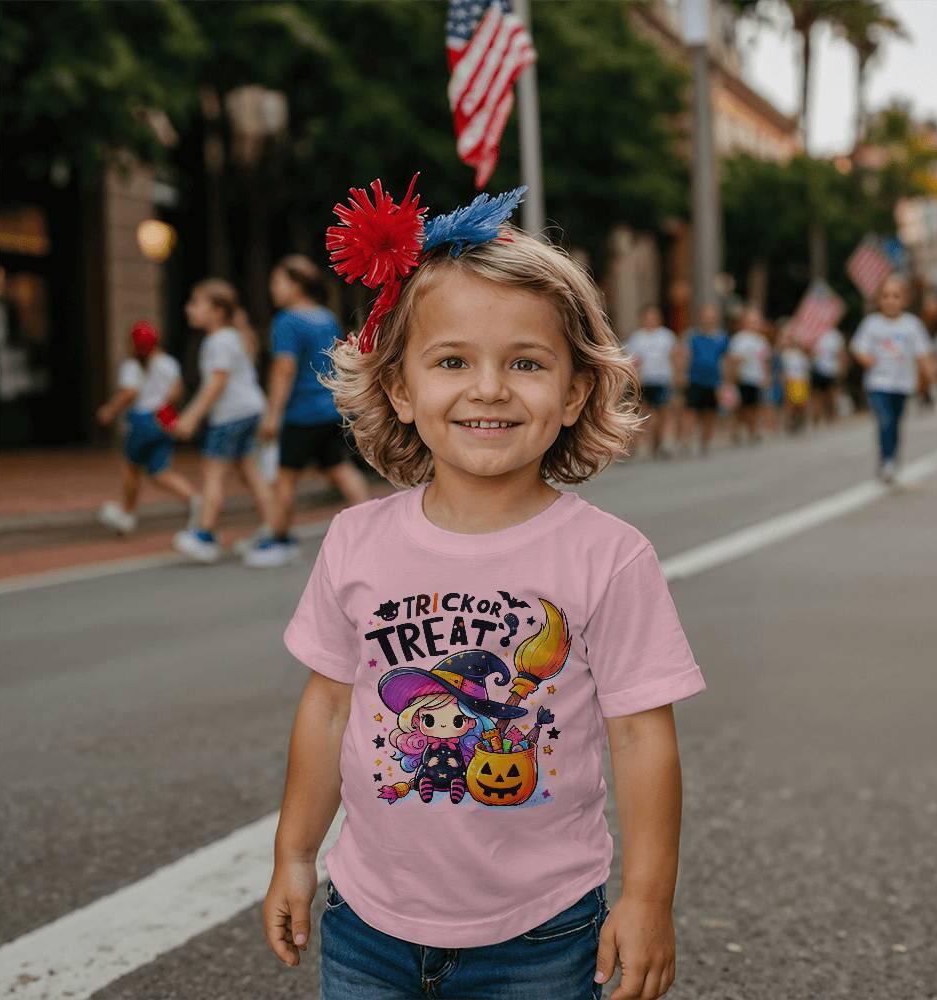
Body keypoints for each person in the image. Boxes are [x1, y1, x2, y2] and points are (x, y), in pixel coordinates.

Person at [262, 179, 706, 1000]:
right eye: (452, 361)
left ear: (575, 392)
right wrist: (294, 854)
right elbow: (327, 708)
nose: (490, 388)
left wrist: (648, 899)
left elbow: (643, 738)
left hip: (540, 933)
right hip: (366, 922)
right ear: (400, 388)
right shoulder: (356, 540)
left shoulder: (609, 557)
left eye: (526, 363)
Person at [243, 256, 371, 568]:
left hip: (301, 414)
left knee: (284, 479)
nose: (273, 289)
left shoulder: (287, 321)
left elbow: (284, 369)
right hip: (330, 408)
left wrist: (272, 415)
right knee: (341, 470)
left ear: (297, 285)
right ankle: (373, 530)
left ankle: (279, 538)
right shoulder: (325, 317)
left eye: (278, 282)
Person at [172, 279, 274, 562]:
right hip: (249, 410)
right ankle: (273, 529)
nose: (189, 309)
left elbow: (216, 383)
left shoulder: (219, 341)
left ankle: (204, 535)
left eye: (196, 303)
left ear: (217, 311)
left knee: (213, 472)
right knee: (250, 472)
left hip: (231, 415)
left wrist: (190, 417)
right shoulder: (231, 337)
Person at [96, 321, 198, 535]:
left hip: (141, 420)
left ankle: (127, 514)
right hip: (164, 419)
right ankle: (195, 499)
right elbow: (177, 391)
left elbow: (129, 393)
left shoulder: (132, 365)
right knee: (160, 471)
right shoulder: (169, 363)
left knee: (132, 468)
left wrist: (110, 410)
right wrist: (164, 410)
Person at [850, 275, 935, 483]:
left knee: (895, 423)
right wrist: (865, 358)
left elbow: (923, 354)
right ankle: (887, 461)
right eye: (886, 296)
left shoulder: (912, 325)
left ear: (905, 300)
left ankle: (891, 457)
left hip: (902, 384)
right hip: (878, 383)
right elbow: (857, 347)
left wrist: (931, 376)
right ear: (879, 300)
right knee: (885, 420)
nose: (890, 300)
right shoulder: (871, 324)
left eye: (896, 296)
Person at [624, 305, 679, 458]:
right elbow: (633, 361)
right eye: (648, 317)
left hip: (662, 379)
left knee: (664, 413)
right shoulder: (637, 338)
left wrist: (676, 376)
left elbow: (675, 357)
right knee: (643, 414)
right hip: (645, 381)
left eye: (653, 317)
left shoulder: (666, 336)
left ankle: (661, 442)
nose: (651, 320)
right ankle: (635, 445)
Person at [679, 302, 729, 456]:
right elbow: (685, 355)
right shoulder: (692, 336)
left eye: (711, 317)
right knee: (690, 410)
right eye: (706, 316)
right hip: (695, 379)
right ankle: (686, 441)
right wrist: (681, 373)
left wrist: (726, 381)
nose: (708, 319)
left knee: (710, 412)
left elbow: (725, 360)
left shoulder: (721, 338)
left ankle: (705, 441)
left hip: (714, 380)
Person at [726, 305, 770, 445]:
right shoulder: (739, 339)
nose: (754, 324)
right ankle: (736, 431)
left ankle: (753, 431)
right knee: (741, 407)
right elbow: (733, 360)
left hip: (756, 378)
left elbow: (765, 361)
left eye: (756, 321)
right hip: (742, 378)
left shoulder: (761, 341)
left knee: (754, 406)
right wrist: (731, 378)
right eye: (751, 321)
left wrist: (766, 376)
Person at [810, 326, 847, 426]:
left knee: (831, 394)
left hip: (832, 370)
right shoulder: (815, 332)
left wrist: (842, 368)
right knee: (817, 394)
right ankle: (817, 415)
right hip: (818, 369)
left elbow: (841, 353)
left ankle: (831, 415)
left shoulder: (835, 335)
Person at [780, 327, 812, 434]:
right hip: (791, 381)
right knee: (790, 404)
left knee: (801, 404)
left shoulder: (801, 355)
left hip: (801, 381)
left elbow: (806, 370)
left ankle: (800, 420)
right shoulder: (785, 354)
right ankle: (790, 422)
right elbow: (783, 370)